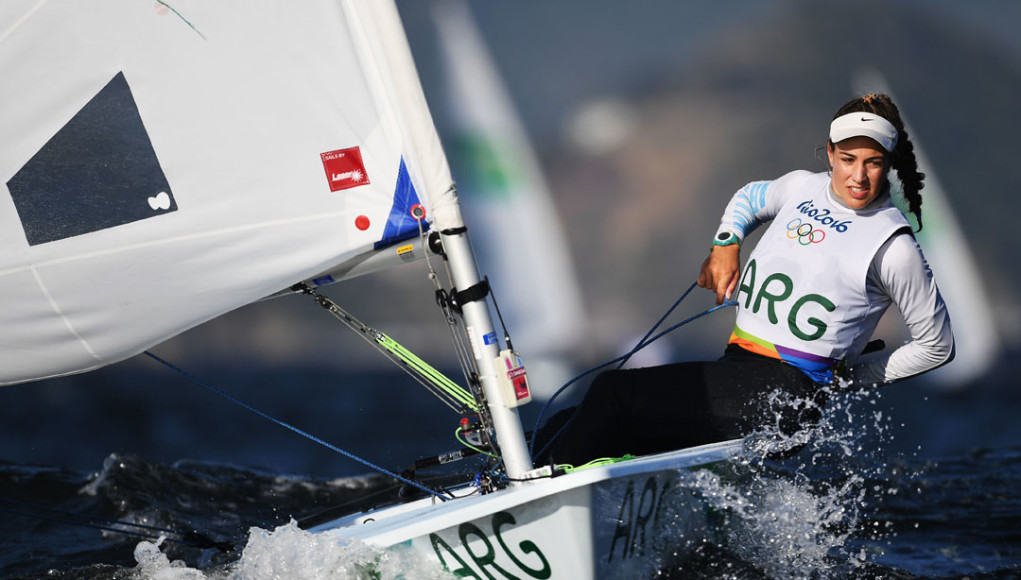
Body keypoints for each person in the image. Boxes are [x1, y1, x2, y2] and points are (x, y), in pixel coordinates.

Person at [545, 93, 955, 466]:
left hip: (784, 397)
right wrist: (726, 244)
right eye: (849, 159)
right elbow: (751, 197)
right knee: (570, 420)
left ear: (889, 164)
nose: (859, 176)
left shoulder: (893, 248)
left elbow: (937, 346)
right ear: (830, 154)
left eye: (874, 162)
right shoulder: (800, 188)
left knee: (612, 395)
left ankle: (545, 504)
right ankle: (503, 496)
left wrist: (850, 376)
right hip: (738, 373)